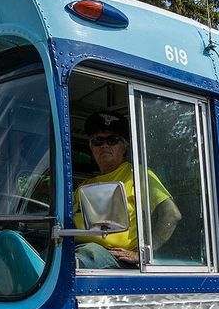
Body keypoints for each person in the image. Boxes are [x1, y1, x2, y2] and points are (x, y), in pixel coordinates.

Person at [74, 111, 181, 269]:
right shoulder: (83, 186)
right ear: (91, 146)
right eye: (98, 141)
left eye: (113, 140)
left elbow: (172, 214)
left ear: (125, 146)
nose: (105, 145)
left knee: (79, 260)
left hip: (111, 258)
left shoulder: (138, 175)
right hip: (78, 250)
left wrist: (143, 254)